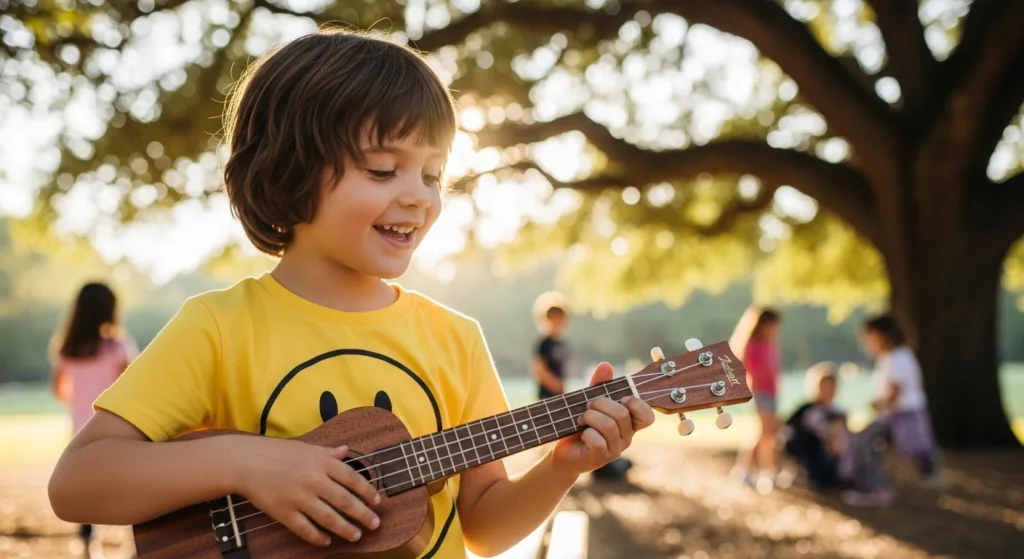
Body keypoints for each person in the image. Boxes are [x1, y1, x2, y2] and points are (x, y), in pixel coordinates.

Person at [46, 29, 655, 559]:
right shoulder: (219, 326)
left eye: (433, 174)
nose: (419, 196)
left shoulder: (456, 339)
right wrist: (246, 464)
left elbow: (483, 529)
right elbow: (77, 483)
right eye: (383, 170)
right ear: (289, 170)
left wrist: (561, 468)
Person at [49, 282, 136, 558]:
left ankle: (88, 546)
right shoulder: (117, 347)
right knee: (127, 485)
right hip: (114, 429)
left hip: (80, 432)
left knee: (87, 489)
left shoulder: (66, 349)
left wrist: (80, 399)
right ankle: (136, 542)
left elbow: (59, 390)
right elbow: (130, 386)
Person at [840, 313, 941, 506]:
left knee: (864, 439)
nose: (866, 343)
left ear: (882, 336)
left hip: (901, 418)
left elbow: (895, 391)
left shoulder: (897, 358)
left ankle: (874, 488)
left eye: (869, 338)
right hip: (899, 417)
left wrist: (878, 405)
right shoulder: (893, 357)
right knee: (863, 438)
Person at [531, 291, 632, 480]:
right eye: (554, 319)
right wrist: (554, 385)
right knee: (546, 432)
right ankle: (540, 467)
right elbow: (539, 369)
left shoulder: (562, 343)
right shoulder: (544, 343)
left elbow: (565, 366)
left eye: (561, 319)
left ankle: (554, 465)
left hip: (560, 392)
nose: (559, 323)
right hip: (547, 393)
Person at [728, 306, 783, 489]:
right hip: (759, 393)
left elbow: (774, 369)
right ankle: (745, 469)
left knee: (770, 434)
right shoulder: (751, 344)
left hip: (772, 393)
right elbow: (749, 370)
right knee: (763, 432)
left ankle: (768, 470)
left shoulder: (771, 344)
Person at [782, 362, 848, 490]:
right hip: (809, 454)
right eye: (824, 386)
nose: (827, 391)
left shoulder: (838, 412)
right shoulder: (808, 409)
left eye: (830, 387)